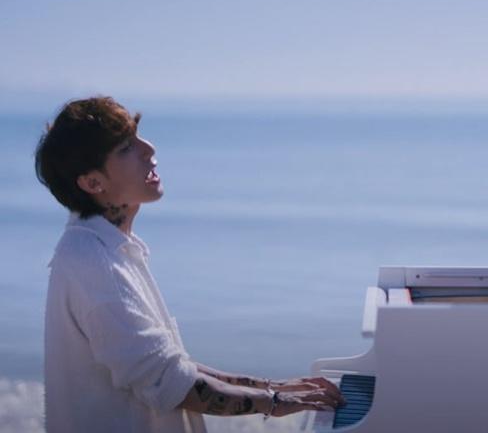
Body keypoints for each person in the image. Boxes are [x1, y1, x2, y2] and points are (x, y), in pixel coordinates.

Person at [35, 96, 345, 432]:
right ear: (93, 183)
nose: (149, 149)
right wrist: (274, 402)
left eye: (137, 136)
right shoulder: (94, 264)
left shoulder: (110, 250)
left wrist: (270, 386)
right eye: (125, 148)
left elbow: (171, 367)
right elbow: (169, 383)